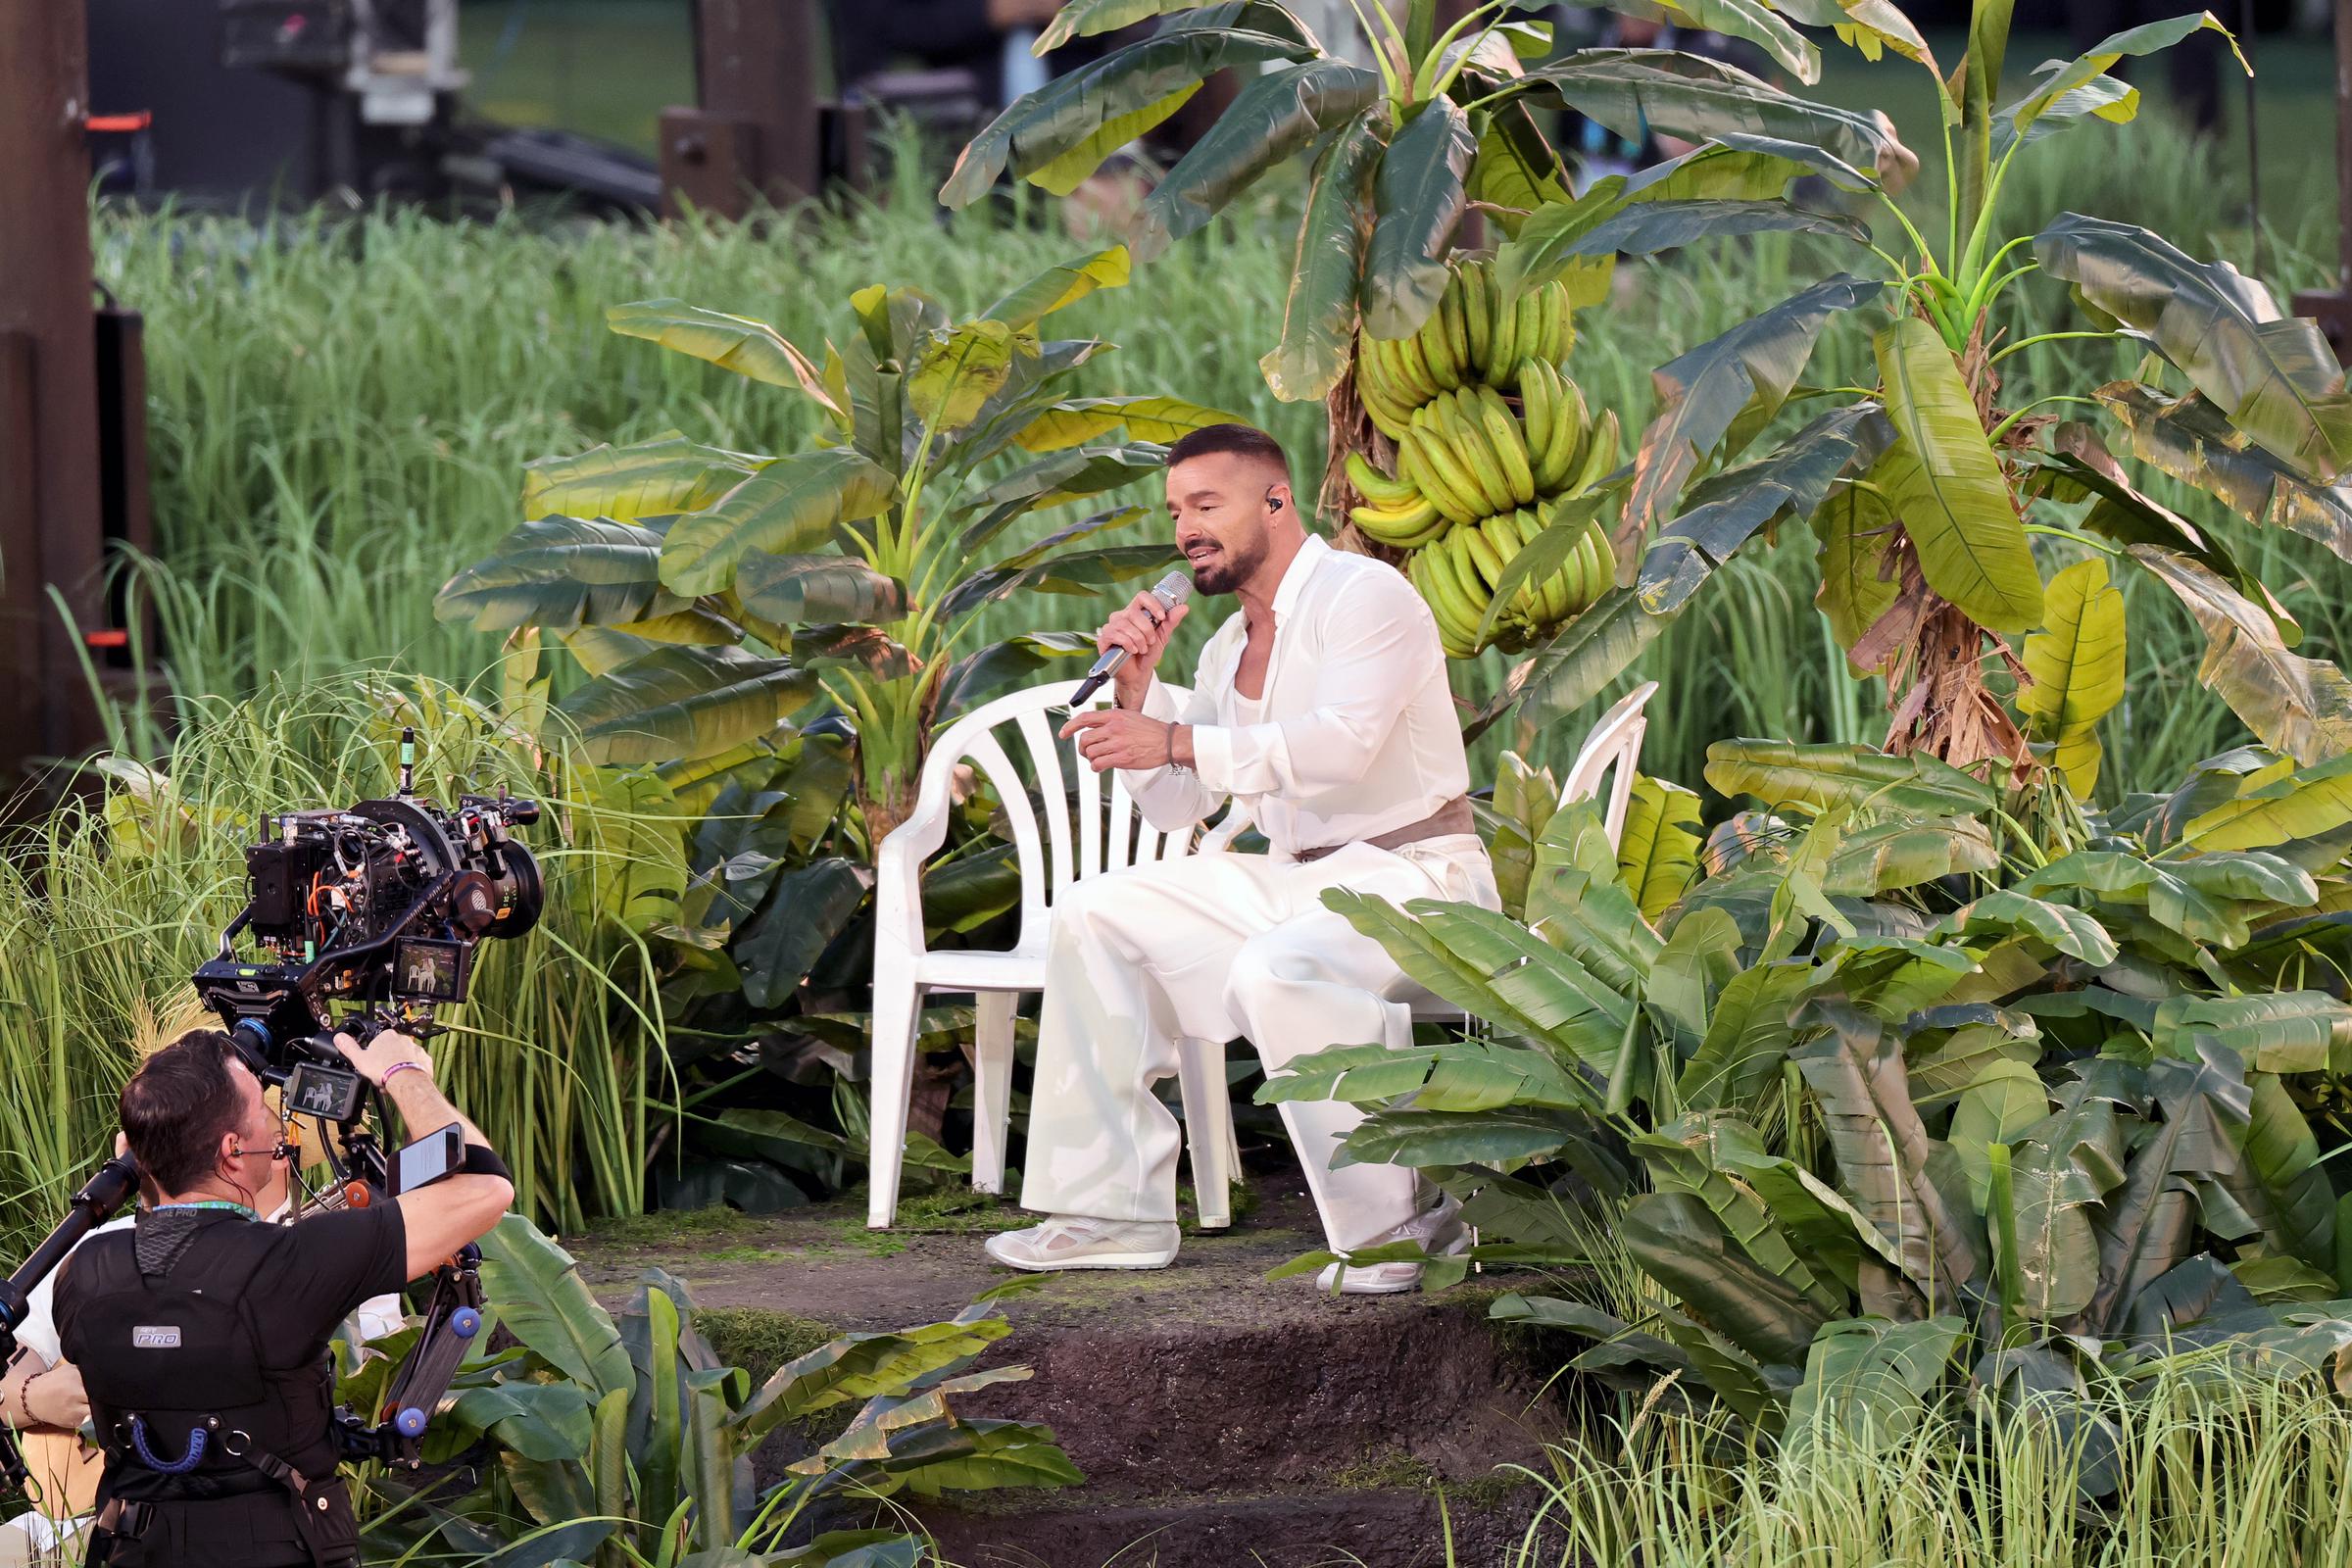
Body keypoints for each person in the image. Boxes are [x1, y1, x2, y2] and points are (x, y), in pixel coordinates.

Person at [983, 423, 1500, 1295]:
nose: (1186, 528)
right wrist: (1139, 698)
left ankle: (1398, 1230)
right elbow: (1189, 802)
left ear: (1275, 501)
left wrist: (1178, 735)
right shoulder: (1228, 647)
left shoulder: (1363, 595)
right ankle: (1113, 1212)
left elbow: (1341, 748)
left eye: (1207, 504)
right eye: (1177, 509)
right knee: (1095, 911)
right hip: (1301, 877)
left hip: (1420, 877)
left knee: (1277, 968)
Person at [46, 1026, 514, 1568]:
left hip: (129, 1549)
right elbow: (486, 1188)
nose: (275, 1126)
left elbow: (169, 1301)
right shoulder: (294, 1263)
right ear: (232, 1151)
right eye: (261, 1112)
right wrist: (402, 1074)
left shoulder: (83, 1274)